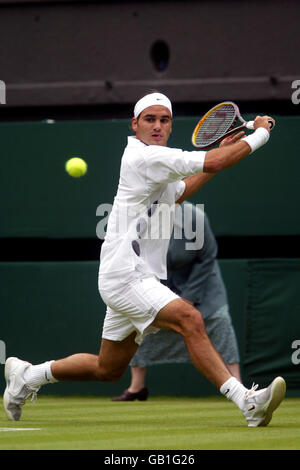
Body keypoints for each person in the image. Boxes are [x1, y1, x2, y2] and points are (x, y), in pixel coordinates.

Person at [3, 92, 286, 427]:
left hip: (127, 275)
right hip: (126, 275)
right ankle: (247, 402)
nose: (157, 126)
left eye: (164, 120)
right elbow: (215, 162)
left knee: (107, 369)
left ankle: (27, 375)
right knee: (188, 318)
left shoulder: (157, 163)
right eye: (149, 119)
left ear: (170, 125)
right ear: (134, 124)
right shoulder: (144, 158)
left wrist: (222, 153)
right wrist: (261, 133)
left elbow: (182, 190)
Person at [112, 203, 241, 402]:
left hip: (202, 285)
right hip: (159, 285)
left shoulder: (194, 217)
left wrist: (189, 296)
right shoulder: (138, 220)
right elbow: (136, 259)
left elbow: (206, 258)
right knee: (141, 327)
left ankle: (237, 385)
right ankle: (137, 387)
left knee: (220, 322)